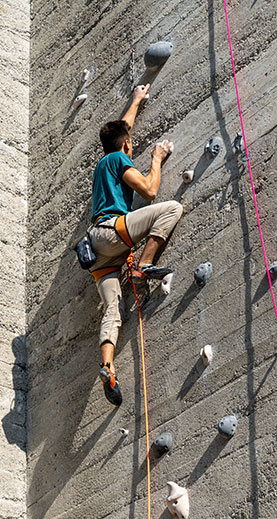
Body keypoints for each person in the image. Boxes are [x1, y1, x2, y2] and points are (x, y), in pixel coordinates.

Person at [89, 83, 183, 406]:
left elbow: (122, 129)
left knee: (113, 311)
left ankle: (108, 367)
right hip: (112, 232)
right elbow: (148, 190)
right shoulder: (118, 159)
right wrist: (156, 158)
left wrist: (136, 101)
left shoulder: (103, 164)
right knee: (171, 209)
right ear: (126, 146)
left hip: (98, 255)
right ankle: (143, 267)